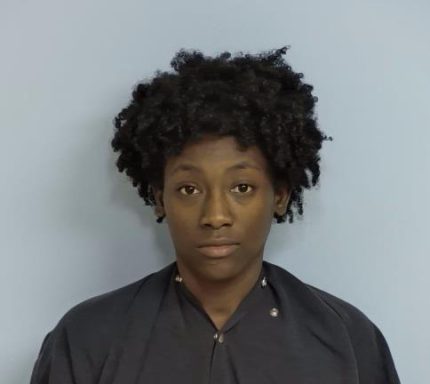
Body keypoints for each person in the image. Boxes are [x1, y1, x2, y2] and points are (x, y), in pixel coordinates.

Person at [30, 46, 401, 383]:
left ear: (280, 196)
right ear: (160, 199)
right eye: (189, 189)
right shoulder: (87, 338)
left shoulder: (348, 338)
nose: (215, 216)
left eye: (242, 187)